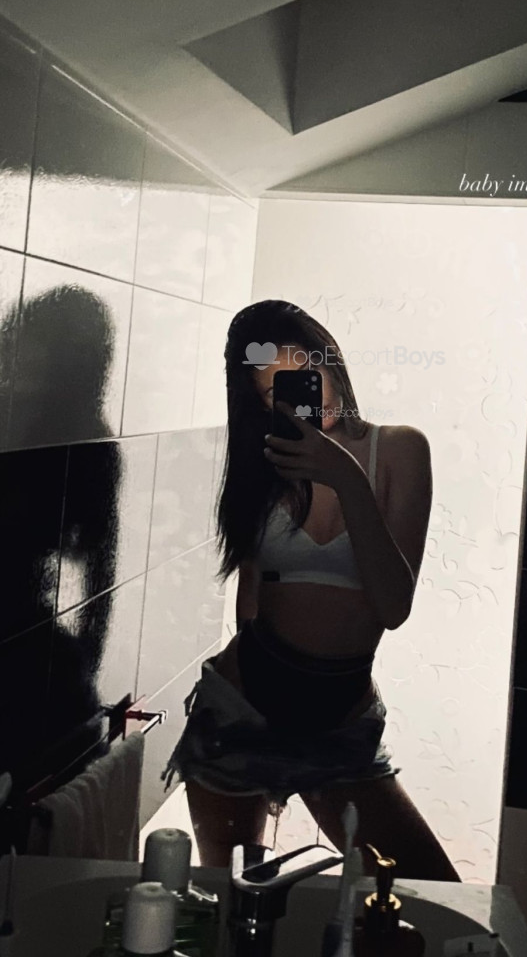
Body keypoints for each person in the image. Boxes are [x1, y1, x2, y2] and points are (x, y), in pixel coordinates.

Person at [163, 300, 460, 880]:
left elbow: (392, 605)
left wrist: (345, 476)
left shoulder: (400, 449)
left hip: (339, 727)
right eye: (274, 390)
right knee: (236, 900)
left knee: (429, 890)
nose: (303, 398)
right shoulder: (266, 464)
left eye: (305, 373)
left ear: (332, 363)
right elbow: (251, 600)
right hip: (241, 716)